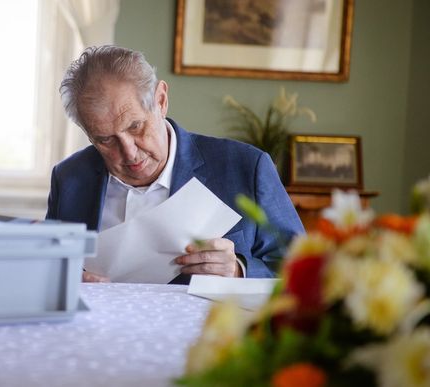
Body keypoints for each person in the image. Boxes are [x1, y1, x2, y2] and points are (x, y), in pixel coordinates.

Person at [46, 45, 304, 284]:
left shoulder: (245, 167)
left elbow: (303, 271)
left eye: (136, 127)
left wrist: (239, 270)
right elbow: (48, 268)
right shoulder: (69, 178)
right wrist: (66, 281)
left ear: (160, 100)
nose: (129, 152)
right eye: (105, 140)